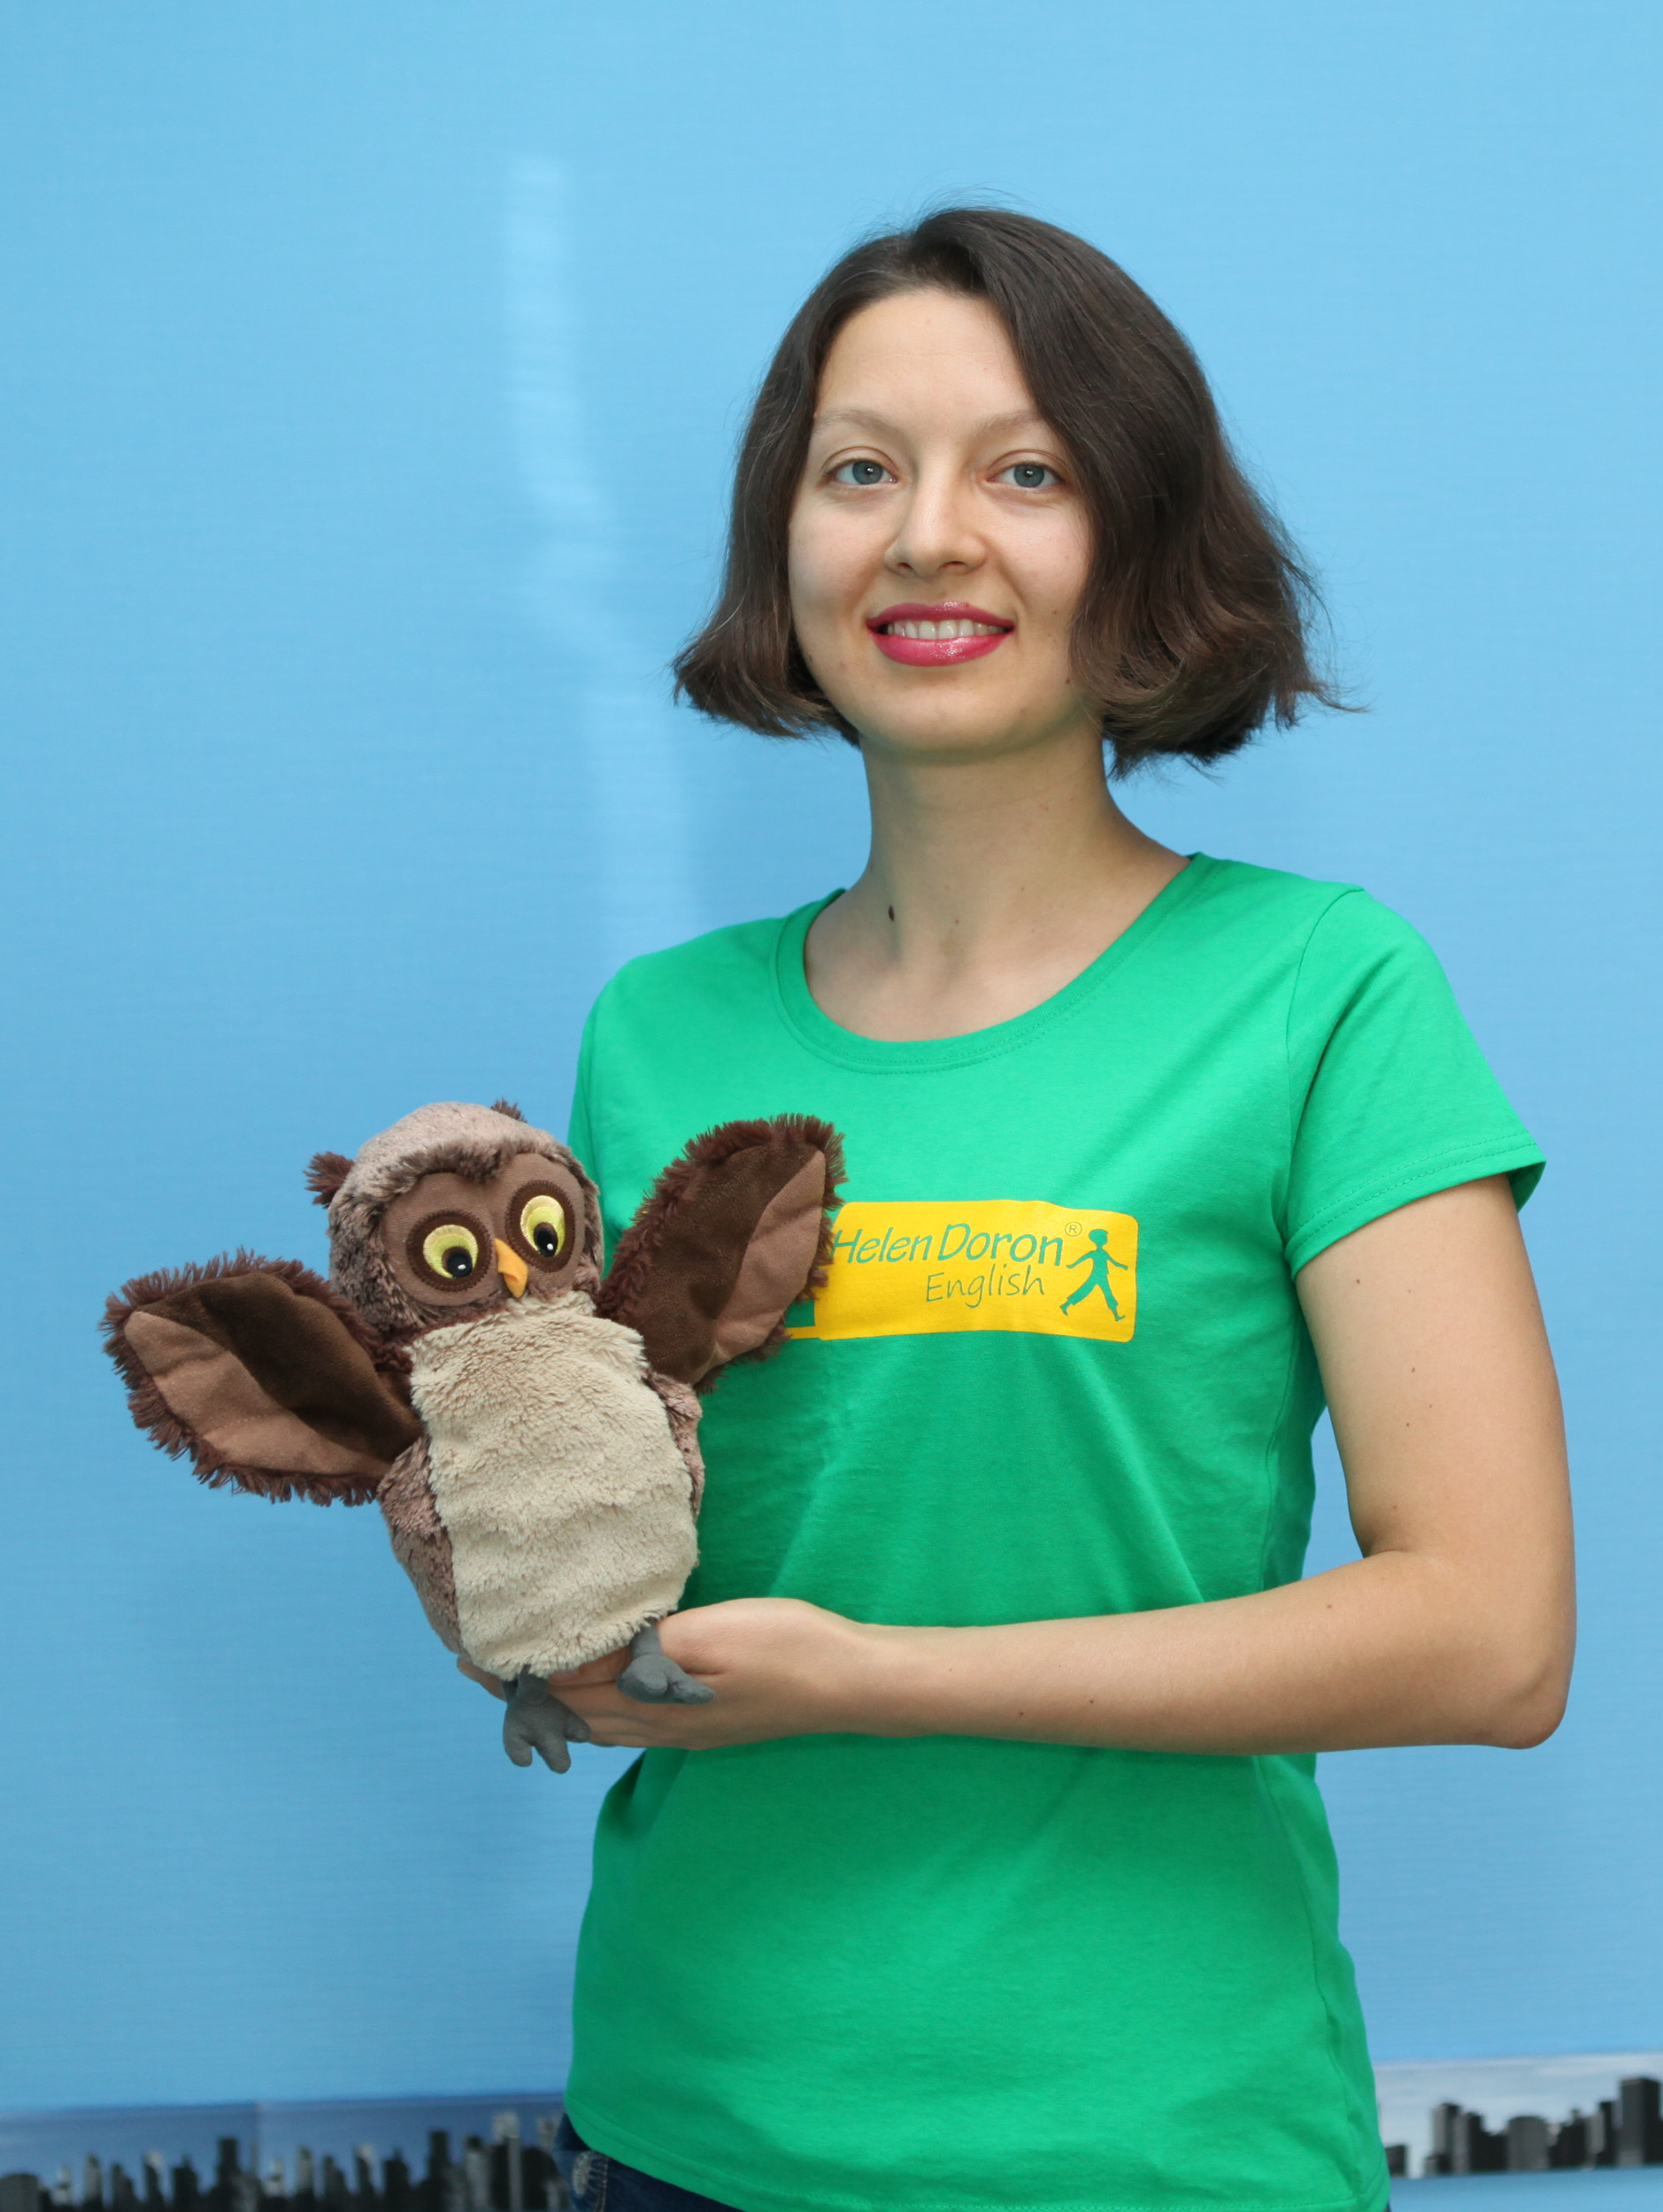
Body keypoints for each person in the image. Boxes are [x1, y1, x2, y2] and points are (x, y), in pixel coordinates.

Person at [479, 210, 1574, 2212]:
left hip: (1153, 2145)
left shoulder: (1321, 994)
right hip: (689, 2126)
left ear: (1138, 536)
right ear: (785, 539)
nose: (927, 538)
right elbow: (627, 1530)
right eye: (859, 469)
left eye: (1027, 472)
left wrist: (876, 1677)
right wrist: (527, 1605)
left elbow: (1490, 1636)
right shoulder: (657, 1030)